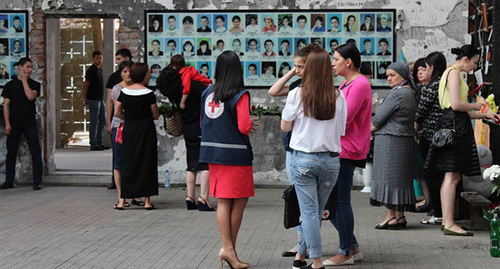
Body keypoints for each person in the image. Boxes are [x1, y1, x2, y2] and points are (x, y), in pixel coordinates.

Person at [281, 47, 347, 269]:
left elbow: (284, 126)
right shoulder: (339, 96)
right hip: (330, 161)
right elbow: (341, 131)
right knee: (315, 212)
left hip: (303, 160)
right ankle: (300, 256)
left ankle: (316, 262)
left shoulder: (296, 94)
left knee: (309, 212)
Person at [424, 45, 500, 236]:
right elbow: (457, 105)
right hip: (455, 127)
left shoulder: (452, 73)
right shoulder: (455, 73)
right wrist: (479, 103)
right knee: (452, 176)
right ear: (465, 59)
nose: (475, 67)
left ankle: (447, 220)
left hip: (455, 123)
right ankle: (448, 222)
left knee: (453, 176)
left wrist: (487, 115)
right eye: (474, 62)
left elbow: (463, 110)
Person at [199, 51, 255, 269]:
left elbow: (205, 123)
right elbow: (244, 126)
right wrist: (250, 123)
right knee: (238, 201)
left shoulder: (207, 93)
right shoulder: (240, 93)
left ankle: (229, 250)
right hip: (236, 154)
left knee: (223, 200)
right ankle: (228, 248)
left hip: (213, 154)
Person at [321, 43, 371, 266]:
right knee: (332, 203)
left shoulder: (359, 84)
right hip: (340, 147)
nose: (333, 63)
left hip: (347, 149)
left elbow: (344, 119)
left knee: (339, 202)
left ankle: (346, 250)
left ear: (348, 62)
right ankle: (352, 246)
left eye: (336, 59)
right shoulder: (346, 83)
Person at [157, 60, 214, 212]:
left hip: (187, 128)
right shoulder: (194, 86)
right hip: (202, 127)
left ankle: (190, 197)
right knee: (205, 164)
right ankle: (203, 198)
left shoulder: (174, 93)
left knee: (192, 163)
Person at [370, 62, 417, 230]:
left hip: (390, 140)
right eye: (388, 75)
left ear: (403, 76)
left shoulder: (397, 94)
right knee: (398, 179)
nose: (389, 78)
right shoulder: (409, 92)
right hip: (403, 139)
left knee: (388, 178)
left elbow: (378, 119)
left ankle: (390, 217)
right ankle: (399, 216)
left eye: (392, 75)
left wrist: (366, 131)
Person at [115, 63, 159, 210]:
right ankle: (147, 201)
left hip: (130, 128)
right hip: (146, 129)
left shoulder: (124, 92)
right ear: (143, 75)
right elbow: (155, 114)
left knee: (129, 161)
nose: (150, 75)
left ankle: (122, 200)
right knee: (147, 161)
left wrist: (127, 117)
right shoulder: (149, 93)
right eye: (148, 73)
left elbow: (117, 113)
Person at [414, 52, 447, 225]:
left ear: (432, 67)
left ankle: (438, 212)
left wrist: (416, 129)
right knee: (441, 173)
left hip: (429, 134)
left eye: (426, 67)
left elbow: (421, 111)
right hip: (443, 134)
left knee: (431, 172)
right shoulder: (447, 82)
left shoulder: (432, 86)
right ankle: (442, 211)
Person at [0, 57, 43, 191]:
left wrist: (24, 80)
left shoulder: (35, 84)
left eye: (31, 67)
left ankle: (37, 181)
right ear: (20, 67)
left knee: (35, 151)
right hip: (14, 123)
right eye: (27, 67)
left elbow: (31, 96)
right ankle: (9, 180)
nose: (30, 70)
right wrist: (7, 123)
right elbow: (6, 105)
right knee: (11, 152)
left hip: (29, 123)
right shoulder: (10, 85)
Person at [108, 60, 144, 209]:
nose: (127, 74)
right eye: (124, 72)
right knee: (119, 162)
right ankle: (121, 195)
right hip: (120, 128)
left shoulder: (139, 87)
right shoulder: (117, 89)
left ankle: (135, 194)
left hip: (135, 127)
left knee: (134, 160)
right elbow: (116, 109)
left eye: (130, 71)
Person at [105, 48, 132, 189]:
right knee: (118, 154)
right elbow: (110, 102)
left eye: (119, 59)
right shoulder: (114, 81)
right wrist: (109, 122)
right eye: (116, 59)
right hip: (119, 124)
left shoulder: (136, 82)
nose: (117, 62)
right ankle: (116, 182)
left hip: (132, 124)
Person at [83, 50, 107, 151]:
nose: (99, 60)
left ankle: (99, 141)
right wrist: (84, 98)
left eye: (100, 58)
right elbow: (86, 85)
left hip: (100, 99)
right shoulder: (91, 70)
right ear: (93, 59)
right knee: (94, 121)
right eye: (97, 58)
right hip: (93, 99)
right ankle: (93, 143)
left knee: (103, 121)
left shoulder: (99, 70)